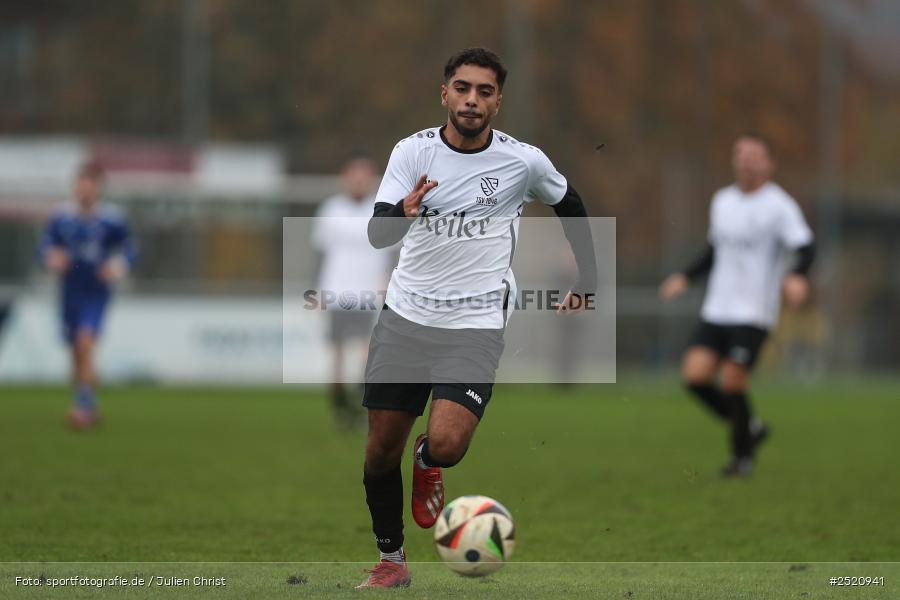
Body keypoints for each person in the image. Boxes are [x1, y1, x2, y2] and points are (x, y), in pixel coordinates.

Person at [355, 47, 597, 588]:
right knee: (379, 452)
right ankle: (391, 560)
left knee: (447, 444)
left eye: (484, 92)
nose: (471, 100)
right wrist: (403, 212)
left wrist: (589, 279)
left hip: (476, 321)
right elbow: (377, 234)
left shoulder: (522, 161)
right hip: (406, 316)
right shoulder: (412, 152)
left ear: (497, 102)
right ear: (445, 94)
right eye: (462, 89)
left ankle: (428, 460)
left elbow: (571, 203)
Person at [659, 134, 815, 477]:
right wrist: (685, 276)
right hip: (717, 308)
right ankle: (751, 427)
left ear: (770, 164)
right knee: (695, 376)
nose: (746, 161)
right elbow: (714, 250)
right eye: (741, 154)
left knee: (732, 382)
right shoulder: (723, 201)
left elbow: (805, 247)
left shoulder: (779, 206)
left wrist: (798, 275)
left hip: (753, 312)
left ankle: (741, 458)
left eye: (755, 156)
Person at [39, 162, 135, 429]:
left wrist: (117, 266)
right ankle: (84, 400)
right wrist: (51, 257)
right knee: (75, 350)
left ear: (98, 189)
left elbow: (129, 249)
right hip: (69, 290)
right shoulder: (62, 217)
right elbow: (45, 246)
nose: (84, 192)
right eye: (80, 186)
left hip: (95, 291)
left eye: (89, 187)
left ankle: (85, 409)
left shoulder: (112, 219)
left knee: (85, 342)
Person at [311, 153, 392, 431]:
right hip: (336, 291)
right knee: (337, 354)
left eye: (364, 175)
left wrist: (388, 282)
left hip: (369, 293)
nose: (359, 180)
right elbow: (320, 252)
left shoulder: (380, 210)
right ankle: (340, 408)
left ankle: (360, 405)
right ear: (345, 178)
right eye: (354, 174)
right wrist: (316, 289)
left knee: (367, 353)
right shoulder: (330, 209)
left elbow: (390, 253)